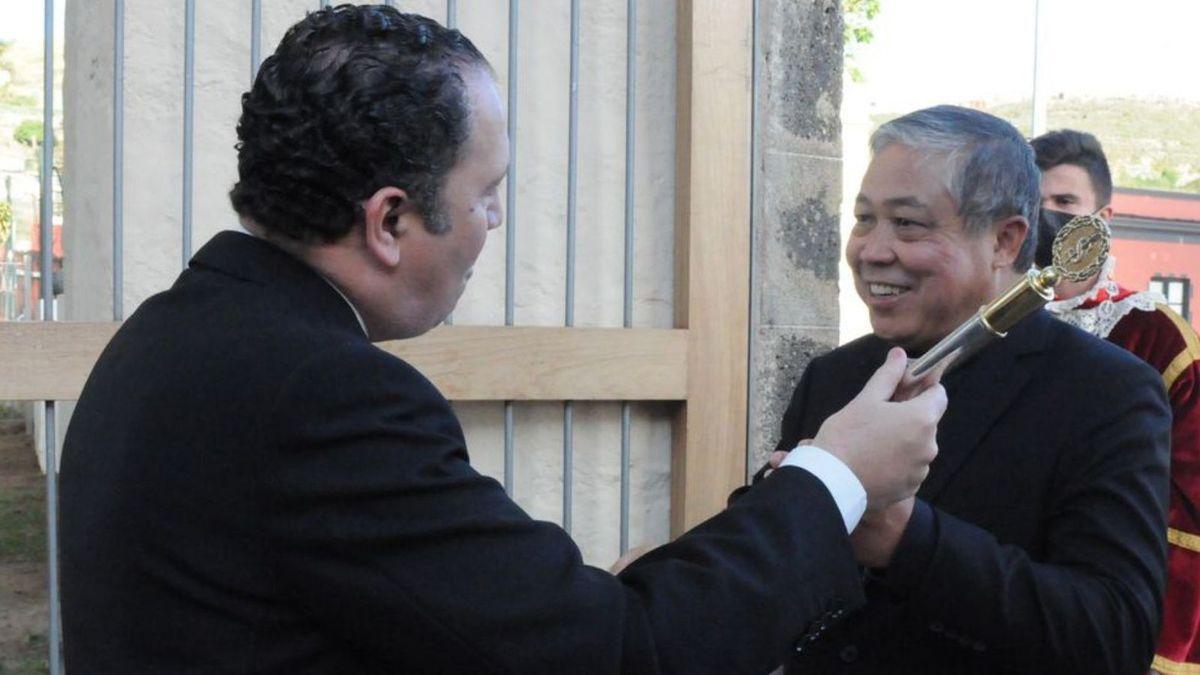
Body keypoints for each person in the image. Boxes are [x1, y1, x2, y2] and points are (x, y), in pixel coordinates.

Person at [58, 7, 947, 674]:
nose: (493, 222)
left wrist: (602, 589)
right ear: (391, 219)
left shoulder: (177, 331)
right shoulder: (327, 394)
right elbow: (619, 658)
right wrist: (837, 474)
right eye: (488, 191)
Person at [755, 106, 1169, 673]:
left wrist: (908, 542)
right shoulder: (834, 377)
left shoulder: (1108, 393)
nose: (872, 250)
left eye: (908, 223)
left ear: (1004, 240)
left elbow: (1113, 633)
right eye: (863, 218)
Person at [1033, 128, 1200, 675]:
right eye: (1033, 204)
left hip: (1119, 602)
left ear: (1101, 219)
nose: (1048, 217)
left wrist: (1163, 643)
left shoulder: (1154, 333)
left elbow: (1189, 493)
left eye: (1064, 203)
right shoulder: (986, 325)